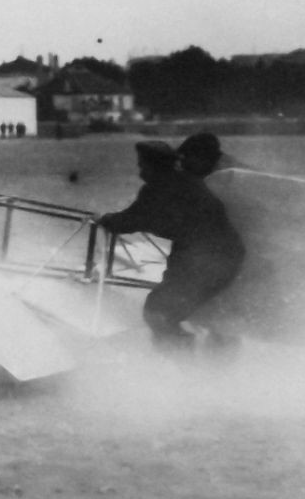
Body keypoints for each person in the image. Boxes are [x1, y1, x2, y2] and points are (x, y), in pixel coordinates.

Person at [97, 140, 245, 356]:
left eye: (142, 165)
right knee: (191, 310)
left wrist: (104, 220)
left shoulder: (159, 187)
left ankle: (185, 370)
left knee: (157, 312)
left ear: (155, 165)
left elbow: (130, 220)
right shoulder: (186, 182)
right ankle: (212, 362)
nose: (140, 172)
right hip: (226, 256)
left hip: (204, 260)